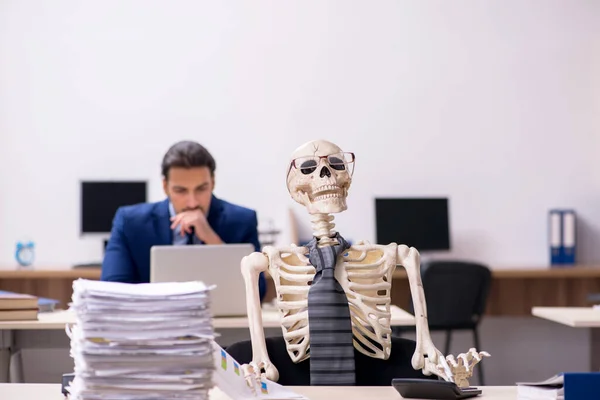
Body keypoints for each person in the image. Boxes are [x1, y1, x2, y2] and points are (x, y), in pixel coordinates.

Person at [100, 140, 266, 301]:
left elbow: (259, 291)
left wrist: (212, 239)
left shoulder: (242, 221)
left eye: (201, 189)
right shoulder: (130, 223)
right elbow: (112, 290)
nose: (192, 202)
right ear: (165, 187)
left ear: (213, 183)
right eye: (181, 191)